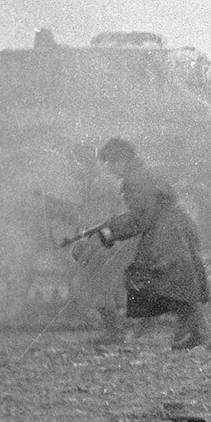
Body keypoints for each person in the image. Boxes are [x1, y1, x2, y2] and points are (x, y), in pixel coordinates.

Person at [92, 137, 211, 350]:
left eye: (109, 164)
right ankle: (192, 332)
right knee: (174, 281)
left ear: (120, 161)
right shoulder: (143, 173)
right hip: (172, 229)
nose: (109, 170)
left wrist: (111, 231)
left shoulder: (135, 180)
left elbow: (142, 217)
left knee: (151, 278)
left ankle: (149, 334)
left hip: (167, 232)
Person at [66, 144, 137, 345]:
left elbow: (101, 220)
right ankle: (114, 330)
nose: (70, 169)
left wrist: (84, 242)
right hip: (111, 241)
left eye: (72, 164)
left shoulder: (100, 185)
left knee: (98, 288)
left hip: (116, 243)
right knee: (97, 288)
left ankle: (115, 332)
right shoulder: (95, 184)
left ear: (83, 164)